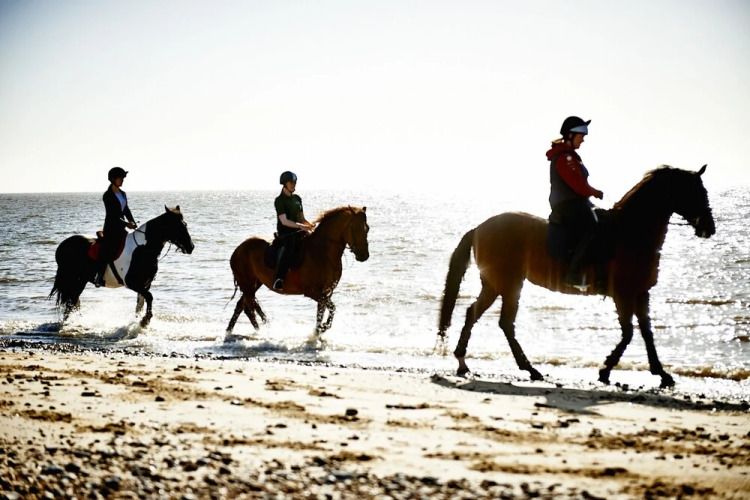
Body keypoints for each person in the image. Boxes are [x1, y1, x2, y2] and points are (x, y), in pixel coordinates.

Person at [546, 116, 604, 290]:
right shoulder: (566, 158)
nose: (583, 140)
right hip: (568, 204)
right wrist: (594, 192)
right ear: (570, 136)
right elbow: (577, 185)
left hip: (574, 202)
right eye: (581, 136)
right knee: (593, 227)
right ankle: (573, 274)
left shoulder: (570, 156)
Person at [95, 166, 137, 287]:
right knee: (108, 249)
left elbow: (126, 210)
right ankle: (99, 276)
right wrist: (126, 224)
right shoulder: (107, 195)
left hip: (121, 228)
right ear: (113, 179)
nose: (122, 180)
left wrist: (132, 221)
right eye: (120, 178)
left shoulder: (122, 194)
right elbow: (112, 215)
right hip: (111, 228)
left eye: (123, 178)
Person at [273, 171, 314, 290]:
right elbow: (284, 221)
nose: (294, 184)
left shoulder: (297, 199)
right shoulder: (279, 200)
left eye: (295, 182)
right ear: (284, 184)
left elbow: (302, 219)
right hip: (286, 233)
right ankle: (279, 279)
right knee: (290, 247)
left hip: (298, 230)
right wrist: (301, 226)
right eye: (291, 182)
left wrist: (311, 226)